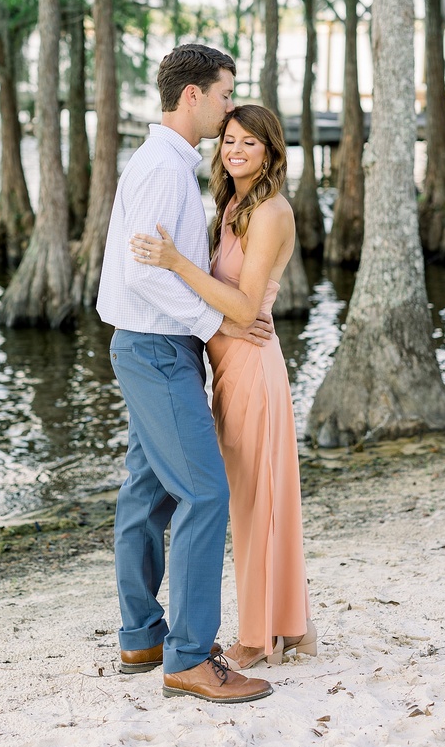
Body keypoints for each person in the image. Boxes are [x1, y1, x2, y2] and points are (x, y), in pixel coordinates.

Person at [96, 45, 274, 704]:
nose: (231, 106)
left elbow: (155, 265)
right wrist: (216, 325)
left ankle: (143, 635)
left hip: (151, 348)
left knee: (147, 495)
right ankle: (190, 658)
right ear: (193, 95)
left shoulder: (167, 163)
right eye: (226, 94)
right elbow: (146, 272)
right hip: (157, 349)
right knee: (205, 494)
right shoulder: (163, 171)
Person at [130, 103, 316, 671]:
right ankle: (285, 625)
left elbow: (240, 301)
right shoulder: (234, 205)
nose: (235, 151)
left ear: (270, 153)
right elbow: (229, 300)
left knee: (256, 504)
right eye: (229, 140)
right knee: (246, 502)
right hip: (229, 367)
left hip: (254, 369)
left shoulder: (270, 214)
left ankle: (260, 639)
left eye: (249, 144)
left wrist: (175, 262)